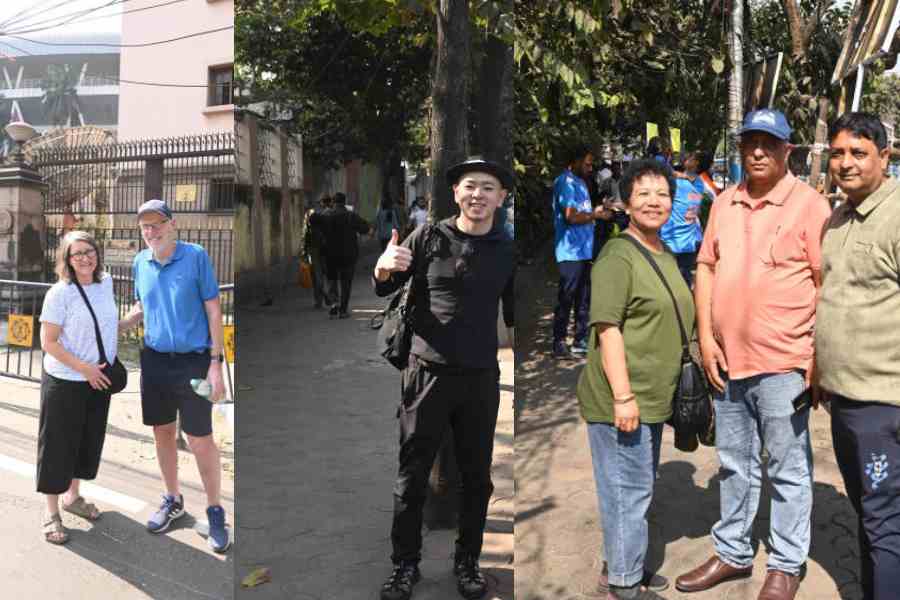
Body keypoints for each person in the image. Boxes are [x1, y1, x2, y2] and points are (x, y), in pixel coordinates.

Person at [675, 109, 831, 600]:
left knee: (787, 467)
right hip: (727, 360)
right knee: (733, 462)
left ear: (788, 150)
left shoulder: (809, 206)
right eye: (750, 143)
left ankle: (785, 564)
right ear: (740, 148)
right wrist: (705, 337)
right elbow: (705, 267)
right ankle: (733, 552)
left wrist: (817, 357)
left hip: (785, 362)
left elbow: (827, 285)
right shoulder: (723, 203)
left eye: (769, 143)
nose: (758, 151)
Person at [373, 156, 515, 600]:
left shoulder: (507, 249)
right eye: (470, 186)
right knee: (411, 476)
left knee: (478, 477)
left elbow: (514, 316)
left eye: (488, 187)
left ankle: (468, 561)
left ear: (502, 197)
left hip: (479, 379)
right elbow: (383, 286)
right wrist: (382, 266)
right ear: (455, 193)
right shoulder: (429, 236)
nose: (478, 194)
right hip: (426, 375)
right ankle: (404, 565)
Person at [577, 159, 692, 600]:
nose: (653, 201)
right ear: (625, 202)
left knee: (635, 488)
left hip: (653, 396)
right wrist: (623, 397)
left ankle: (622, 566)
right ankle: (624, 587)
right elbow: (607, 329)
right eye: (642, 193)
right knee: (627, 493)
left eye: (662, 193)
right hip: (623, 399)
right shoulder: (617, 255)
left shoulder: (661, 251)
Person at [817, 112, 900, 600]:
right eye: (838, 153)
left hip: (882, 404)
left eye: (858, 152)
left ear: (884, 157)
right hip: (844, 400)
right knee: (871, 516)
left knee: (884, 523)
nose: (845, 163)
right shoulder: (841, 215)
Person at [118, 199, 231, 553]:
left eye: (157, 224)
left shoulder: (195, 256)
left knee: (199, 439)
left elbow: (214, 310)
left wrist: (216, 362)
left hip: (194, 362)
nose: (151, 232)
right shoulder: (140, 262)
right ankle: (173, 499)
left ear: (172, 224)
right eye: (145, 227)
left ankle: (215, 510)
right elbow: (142, 306)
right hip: (154, 361)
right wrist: (118, 325)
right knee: (162, 432)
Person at [37, 231, 118, 545]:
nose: (85, 257)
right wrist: (84, 368)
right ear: (67, 261)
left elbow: (102, 327)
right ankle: (51, 511)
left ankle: (73, 498)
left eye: (90, 251)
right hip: (66, 380)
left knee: (86, 441)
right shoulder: (60, 293)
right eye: (78, 253)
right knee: (58, 445)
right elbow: (48, 343)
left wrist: (131, 319)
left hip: (97, 380)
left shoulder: (105, 283)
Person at [552, 144, 610, 358]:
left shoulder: (580, 182)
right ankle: (558, 342)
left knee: (584, 298)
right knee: (567, 297)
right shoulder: (566, 182)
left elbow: (583, 212)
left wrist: (597, 210)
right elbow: (571, 216)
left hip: (584, 250)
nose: (590, 167)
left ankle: (580, 339)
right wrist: (595, 216)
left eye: (591, 163)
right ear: (575, 161)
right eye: (586, 163)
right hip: (570, 252)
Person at [313, 192, 372, 319]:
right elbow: (365, 228)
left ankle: (334, 303)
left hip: (330, 255)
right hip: (348, 255)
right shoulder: (351, 216)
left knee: (332, 280)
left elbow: (313, 221)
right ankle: (343, 310)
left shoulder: (326, 215)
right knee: (346, 283)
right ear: (344, 202)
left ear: (333, 202)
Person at [659, 151, 704, 287]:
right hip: (686, 243)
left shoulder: (677, 184)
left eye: (691, 157)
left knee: (669, 284)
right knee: (683, 283)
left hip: (671, 241)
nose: (686, 159)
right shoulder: (699, 185)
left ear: (696, 163)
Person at [302, 195, 333, 309]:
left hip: (313, 248)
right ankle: (328, 296)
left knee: (316, 275)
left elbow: (305, 234)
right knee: (327, 275)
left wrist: (304, 250)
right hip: (326, 248)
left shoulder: (310, 214)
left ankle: (319, 300)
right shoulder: (329, 214)